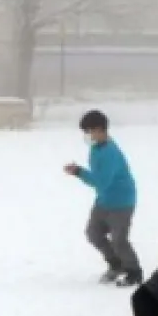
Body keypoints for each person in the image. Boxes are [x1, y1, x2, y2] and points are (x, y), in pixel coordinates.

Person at [64, 109, 141, 285]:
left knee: (119, 240)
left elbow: (102, 181)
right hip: (104, 200)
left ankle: (134, 272)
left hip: (122, 201)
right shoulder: (96, 148)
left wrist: (78, 172)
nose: (87, 135)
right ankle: (116, 264)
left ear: (100, 129)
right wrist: (80, 171)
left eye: (89, 131)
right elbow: (99, 178)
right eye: (86, 132)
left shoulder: (110, 152)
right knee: (93, 233)